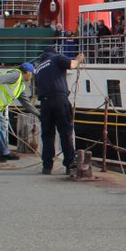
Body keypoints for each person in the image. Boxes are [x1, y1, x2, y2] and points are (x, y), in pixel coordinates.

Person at [33, 46, 83, 175]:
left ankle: (47, 166)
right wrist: (78, 60)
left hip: (44, 102)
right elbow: (71, 65)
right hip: (60, 100)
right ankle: (69, 164)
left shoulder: (38, 68)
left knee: (47, 135)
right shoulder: (56, 58)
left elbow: (37, 88)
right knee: (65, 133)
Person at [0, 63, 38, 163]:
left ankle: (4, 152)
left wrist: (39, 114)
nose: (31, 76)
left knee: (3, 127)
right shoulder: (16, 75)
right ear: (26, 72)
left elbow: (26, 104)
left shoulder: (20, 85)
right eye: (31, 74)